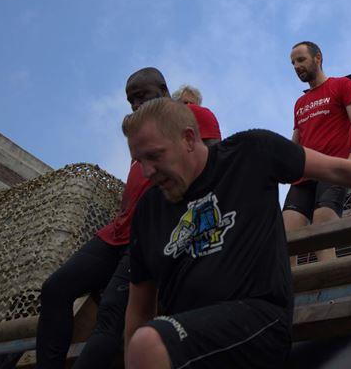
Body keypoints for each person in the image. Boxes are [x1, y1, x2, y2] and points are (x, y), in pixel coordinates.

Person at [122, 98, 351, 369]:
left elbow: (336, 168)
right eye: (139, 161)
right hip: (187, 341)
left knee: (149, 342)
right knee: (147, 341)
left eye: (155, 156)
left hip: (258, 322)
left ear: (188, 138)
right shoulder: (149, 210)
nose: (147, 171)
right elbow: (138, 310)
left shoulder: (249, 153)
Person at [35, 68, 221, 368]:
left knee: (111, 313)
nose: (135, 105)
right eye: (130, 100)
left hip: (151, 230)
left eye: (141, 96)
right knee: (55, 288)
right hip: (117, 231)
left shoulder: (193, 115)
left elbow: (214, 165)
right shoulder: (139, 130)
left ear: (163, 90)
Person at [282, 41, 351, 266]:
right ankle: (290, 286)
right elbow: (296, 140)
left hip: (332, 168)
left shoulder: (341, 85)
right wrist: (283, 166)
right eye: (293, 63)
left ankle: (330, 280)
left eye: (301, 60)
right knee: (287, 232)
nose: (296, 66)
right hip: (303, 174)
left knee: (322, 222)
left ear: (318, 58)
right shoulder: (300, 102)